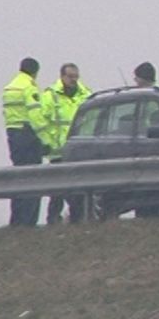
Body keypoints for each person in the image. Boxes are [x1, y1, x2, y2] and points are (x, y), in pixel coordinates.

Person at [40, 63, 92, 224]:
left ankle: (78, 219)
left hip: (79, 151)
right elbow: (41, 122)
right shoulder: (50, 95)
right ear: (62, 76)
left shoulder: (86, 94)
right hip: (58, 151)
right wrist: (48, 143)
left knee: (78, 189)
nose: (73, 80)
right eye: (70, 77)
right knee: (57, 190)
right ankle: (53, 219)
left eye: (76, 77)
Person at [1, 57, 50, 226]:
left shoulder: (10, 87)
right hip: (28, 136)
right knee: (33, 179)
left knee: (18, 178)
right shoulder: (29, 87)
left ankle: (16, 221)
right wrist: (46, 141)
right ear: (35, 72)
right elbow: (35, 116)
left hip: (13, 135)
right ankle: (28, 221)